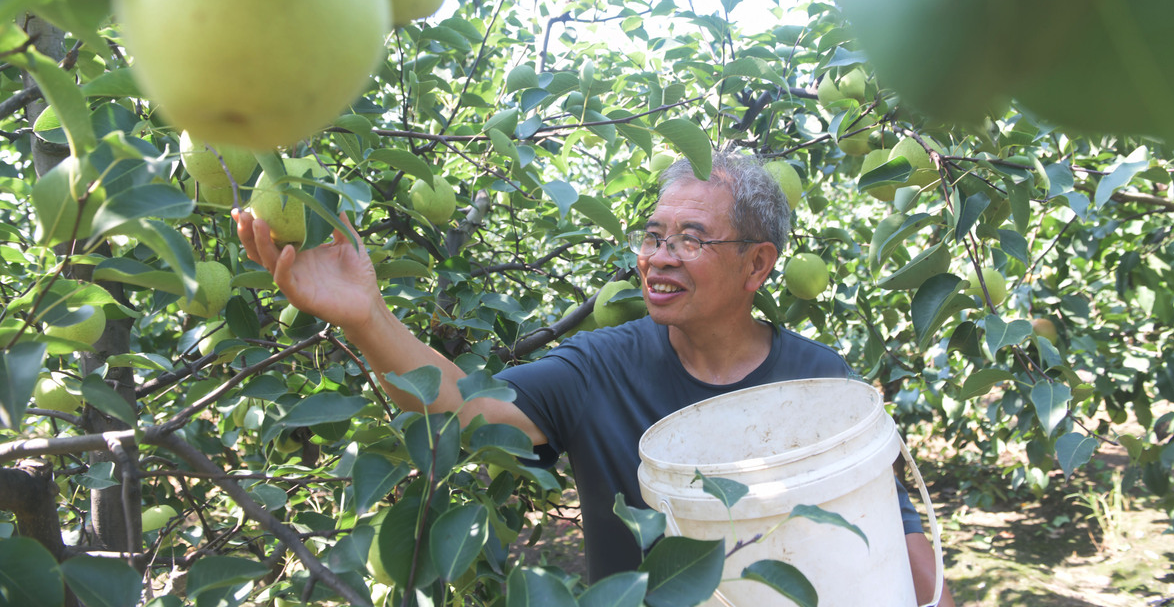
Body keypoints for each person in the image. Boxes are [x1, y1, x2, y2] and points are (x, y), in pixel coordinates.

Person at [235, 150, 954, 606]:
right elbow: (460, 407)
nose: (659, 257)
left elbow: (897, 548)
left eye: (691, 239)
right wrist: (367, 317)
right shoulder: (601, 365)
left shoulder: (819, 385)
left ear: (759, 266)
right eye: (652, 235)